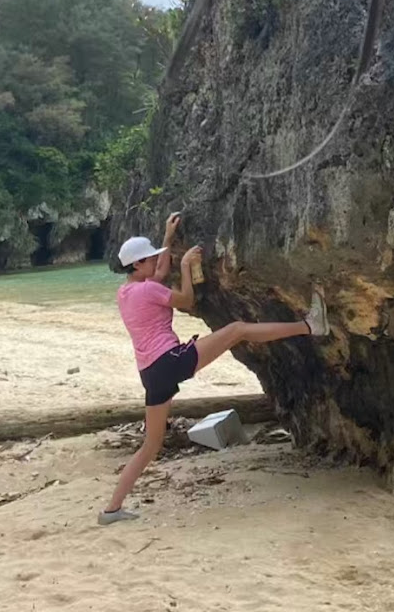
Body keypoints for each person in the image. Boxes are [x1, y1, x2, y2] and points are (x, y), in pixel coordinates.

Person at [98, 213, 329, 525]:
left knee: (151, 444)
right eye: (150, 258)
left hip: (151, 373)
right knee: (237, 330)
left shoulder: (126, 292)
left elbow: (158, 273)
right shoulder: (147, 290)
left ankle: (111, 510)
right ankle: (310, 326)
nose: (156, 262)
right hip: (170, 360)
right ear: (138, 265)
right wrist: (184, 267)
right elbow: (185, 300)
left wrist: (167, 238)